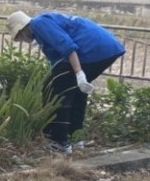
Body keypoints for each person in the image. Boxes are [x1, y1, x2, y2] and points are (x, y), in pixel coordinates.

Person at [7, 10, 125, 155]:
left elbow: (67, 45)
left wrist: (78, 72)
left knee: (56, 93)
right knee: (77, 93)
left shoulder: (39, 24)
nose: (22, 40)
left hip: (92, 50)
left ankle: (59, 141)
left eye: (19, 37)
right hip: (107, 48)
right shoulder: (43, 27)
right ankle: (77, 139)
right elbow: (57, 62)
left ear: (22, 29)